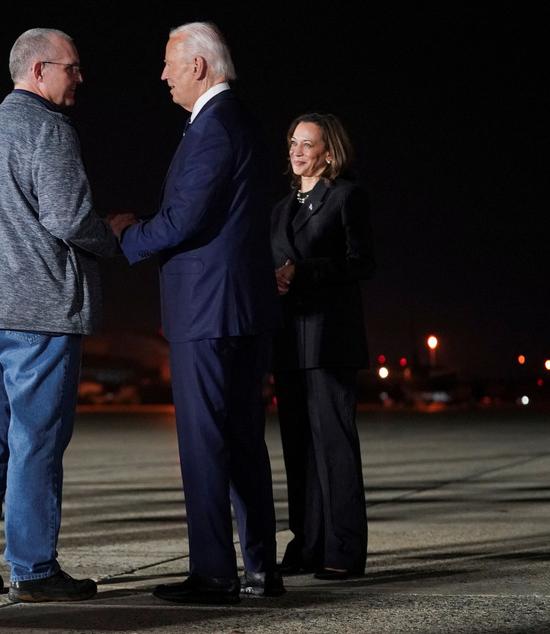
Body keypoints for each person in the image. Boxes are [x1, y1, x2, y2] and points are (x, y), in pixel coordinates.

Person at [110, 22, 284, 604]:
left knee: (205, 444)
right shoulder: (244, 121)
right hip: (243, 307)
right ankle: (261, 567)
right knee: (242, 441)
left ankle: (214, 573)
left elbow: (184, 219)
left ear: (199, 67)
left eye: (168, 64)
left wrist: (128, 236)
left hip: (207, 310)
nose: (162, 75)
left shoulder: (213, 128)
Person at [0, 28, 120, 603]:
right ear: (40, 70)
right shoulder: (49, 130)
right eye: (72, 67)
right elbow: (69, 217)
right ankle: (34, 568)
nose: (79, 77)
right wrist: (113, 236)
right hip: (37, 311)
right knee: (37, 441)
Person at [270, 113, 375, 580]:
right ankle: (307, 544)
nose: (295, 151)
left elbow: (362, 263)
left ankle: (344, 550)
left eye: (306, 144)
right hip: (289, 340)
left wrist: (303, 271)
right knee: (298, 448)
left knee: (334, 446)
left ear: (328, 153)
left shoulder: (346, 197)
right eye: (292, 142)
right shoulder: (279, 208)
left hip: (330, 339)